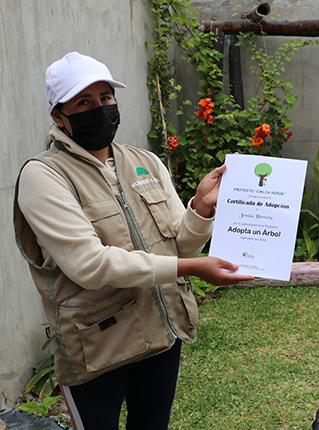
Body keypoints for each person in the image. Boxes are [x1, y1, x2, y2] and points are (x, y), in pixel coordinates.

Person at [14, 51, 253, 430]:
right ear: (58, 115)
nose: (100, 108)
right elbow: (91, 266)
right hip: (97, 346)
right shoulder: (44, 176)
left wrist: (202, 209)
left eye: (105, 97)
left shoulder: (145, 161)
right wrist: (190, 269)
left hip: (161, 335)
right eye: (83, 102)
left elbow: (181, 244)